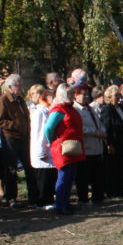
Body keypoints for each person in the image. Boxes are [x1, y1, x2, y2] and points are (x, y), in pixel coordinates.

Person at [43, 84, 84, 215]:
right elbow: (48, 128)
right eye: (70, 94)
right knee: (64, 176)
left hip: (72, 147)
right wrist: (52, 141)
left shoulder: (69, 108)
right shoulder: (59, 110)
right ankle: (60, 205)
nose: (73, 96)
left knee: (70, 176)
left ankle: (66, 202)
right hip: (63, 148)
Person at [0, 74, 35, 207]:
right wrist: (15, 126)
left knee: (29, 166)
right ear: (10, 87)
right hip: (10, 138)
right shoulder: (4, 100)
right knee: (11, 168)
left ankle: (33, 195)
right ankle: (11, 197)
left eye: (21, 84)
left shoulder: (20, 99)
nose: (21, 87)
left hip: (24, 137)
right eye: (19, 85)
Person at [74, 85, 106, 204]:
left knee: (97, 174)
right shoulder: (75, 110)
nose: (87, 97)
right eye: (84, 94)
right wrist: (93, 132)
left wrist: (102, 131)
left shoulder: (90, 108)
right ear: (76, 96)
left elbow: (98, 122)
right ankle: (83, 198)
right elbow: (78, 128)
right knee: (83, 176)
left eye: (88, 94)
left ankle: (98, 196)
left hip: (97, 146)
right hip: (85, 148)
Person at [28, 85, 56, 209]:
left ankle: (49, 200)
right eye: (51, 97)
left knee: (49, 177)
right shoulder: (40, 112)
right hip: (42, 149)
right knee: (43, 178)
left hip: (49, 149)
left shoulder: (47, 111)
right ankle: (42, 202)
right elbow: (38, 133)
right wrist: (40, 151)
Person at [100, 85, 123, 198]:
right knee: (114, 168)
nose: (119, 97)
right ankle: (113, 191)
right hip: (114, 144)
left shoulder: (121, 107)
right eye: (116, 95)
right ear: (109, 97)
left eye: (119, 95)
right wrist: (109, 143)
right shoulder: (107, 109)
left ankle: (121, 189)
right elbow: (107, 127)